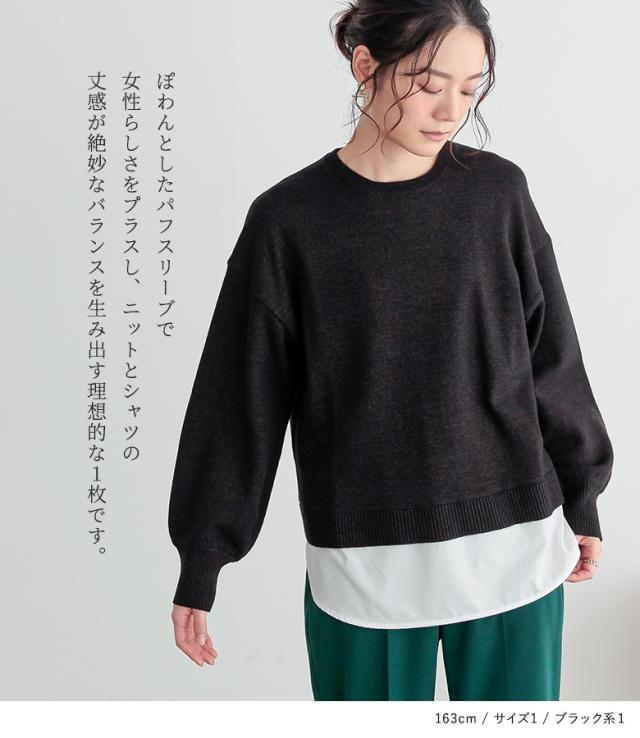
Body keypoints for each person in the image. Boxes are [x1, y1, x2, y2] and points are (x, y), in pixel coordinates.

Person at [168, 0, 614, 701]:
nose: (451, 111)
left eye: (470, 89)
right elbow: (238, 401)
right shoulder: (289, 222)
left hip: (515, 547)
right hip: (365, 563)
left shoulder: (498, 195)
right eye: (429, 84)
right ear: (364, 64)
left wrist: (582, 497)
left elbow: (552, 357)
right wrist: (203, 558)